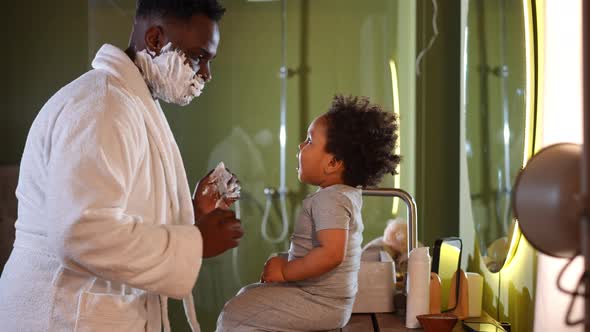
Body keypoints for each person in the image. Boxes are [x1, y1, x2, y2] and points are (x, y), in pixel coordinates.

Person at [0, 1, 244, 331]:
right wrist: (195, 241)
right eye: (199, 57)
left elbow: (122, 214)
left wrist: (193, 214)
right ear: (156, 40)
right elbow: (81, 231)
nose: (206, 74)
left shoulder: (130, 102)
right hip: (63, 315)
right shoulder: (102, 106)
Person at [216, 95, 401, 331]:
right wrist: (287, 258)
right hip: (324, 302)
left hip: (319, 303)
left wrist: (285, 270)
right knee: (248, 295)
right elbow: (320, 249)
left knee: (234, 313)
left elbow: (331, 254)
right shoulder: (344, 194)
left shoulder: (330, 199)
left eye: (309, 140)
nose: (301, 146)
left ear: (333, 163)